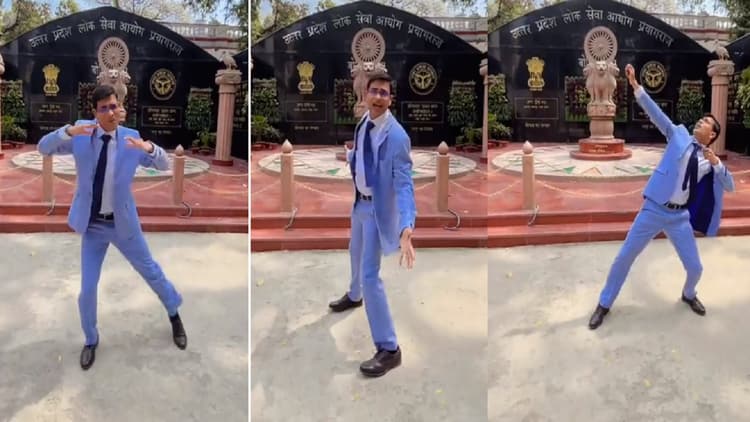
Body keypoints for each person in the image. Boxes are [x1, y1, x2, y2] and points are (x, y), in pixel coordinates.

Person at [37, 84, 187, 370]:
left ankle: (173, 312)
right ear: (95, 112)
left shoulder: (131, 138)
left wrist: (149, 148)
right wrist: (68, 131)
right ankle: (91, 339)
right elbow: (44, 148)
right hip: (93, 226)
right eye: (103, 108)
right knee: (87, 289)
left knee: (151, 271)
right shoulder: (82, 134)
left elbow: (165, 164)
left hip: (123, 224)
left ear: (121, 108)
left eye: (113, 106)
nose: (109, 112)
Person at [588, 63, 735, 330]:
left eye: (705, 122)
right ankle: (604, 303)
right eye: (700, 119)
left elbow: (730, 185)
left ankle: (689, 294)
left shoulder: (709, 161)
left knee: (696, 268)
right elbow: (657, 115)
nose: (700, 122)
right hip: (654, 209)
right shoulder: (678, 134)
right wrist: (636, 86)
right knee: (625, 256)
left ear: (712, 134)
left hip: (679, 217)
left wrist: (716, 163)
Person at [328, 72, 417, 377]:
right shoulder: (364, 122)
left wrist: (406, 226)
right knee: (354, 252)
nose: (378, 97)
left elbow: (404, 185)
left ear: (390, 99)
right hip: (359, 205)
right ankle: (354, 296)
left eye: (384, 93)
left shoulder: (397, 137)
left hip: (378, 212)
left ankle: (390, 349)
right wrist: (352, 157)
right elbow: (364, 156)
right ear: (365, 94)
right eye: (374, 91)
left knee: (370, 275)